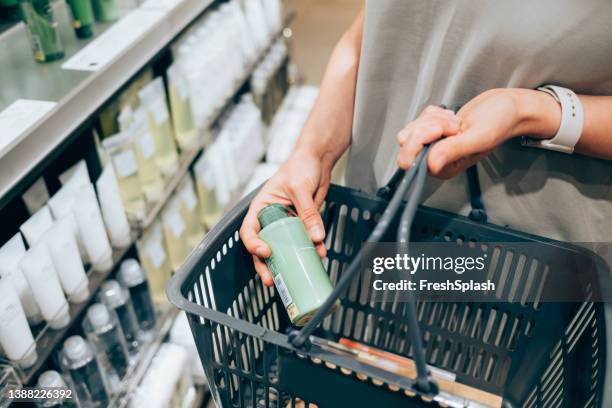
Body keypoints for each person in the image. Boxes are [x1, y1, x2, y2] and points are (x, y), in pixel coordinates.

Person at [240, 1, 612, 287]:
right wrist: (312, 153)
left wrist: (533, 110)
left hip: (528, 268)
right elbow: (370, 32)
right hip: (383, 227)